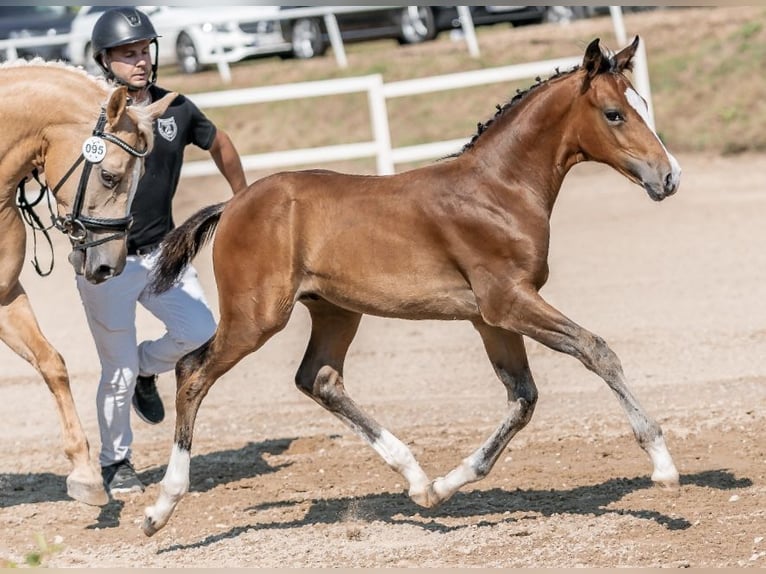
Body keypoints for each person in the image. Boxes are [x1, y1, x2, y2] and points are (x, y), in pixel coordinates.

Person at [76, 7, 247, 496]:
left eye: (145, 50)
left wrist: (243, 199)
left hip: (161, 253)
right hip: (104, 262)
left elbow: (220, 142)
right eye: (128, 53)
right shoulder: (91, 116)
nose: (141, 61)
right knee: (117, 366)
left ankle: (147, 371)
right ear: (105, 60)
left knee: (201, 330)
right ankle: (116, 463)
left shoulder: (176, 107)